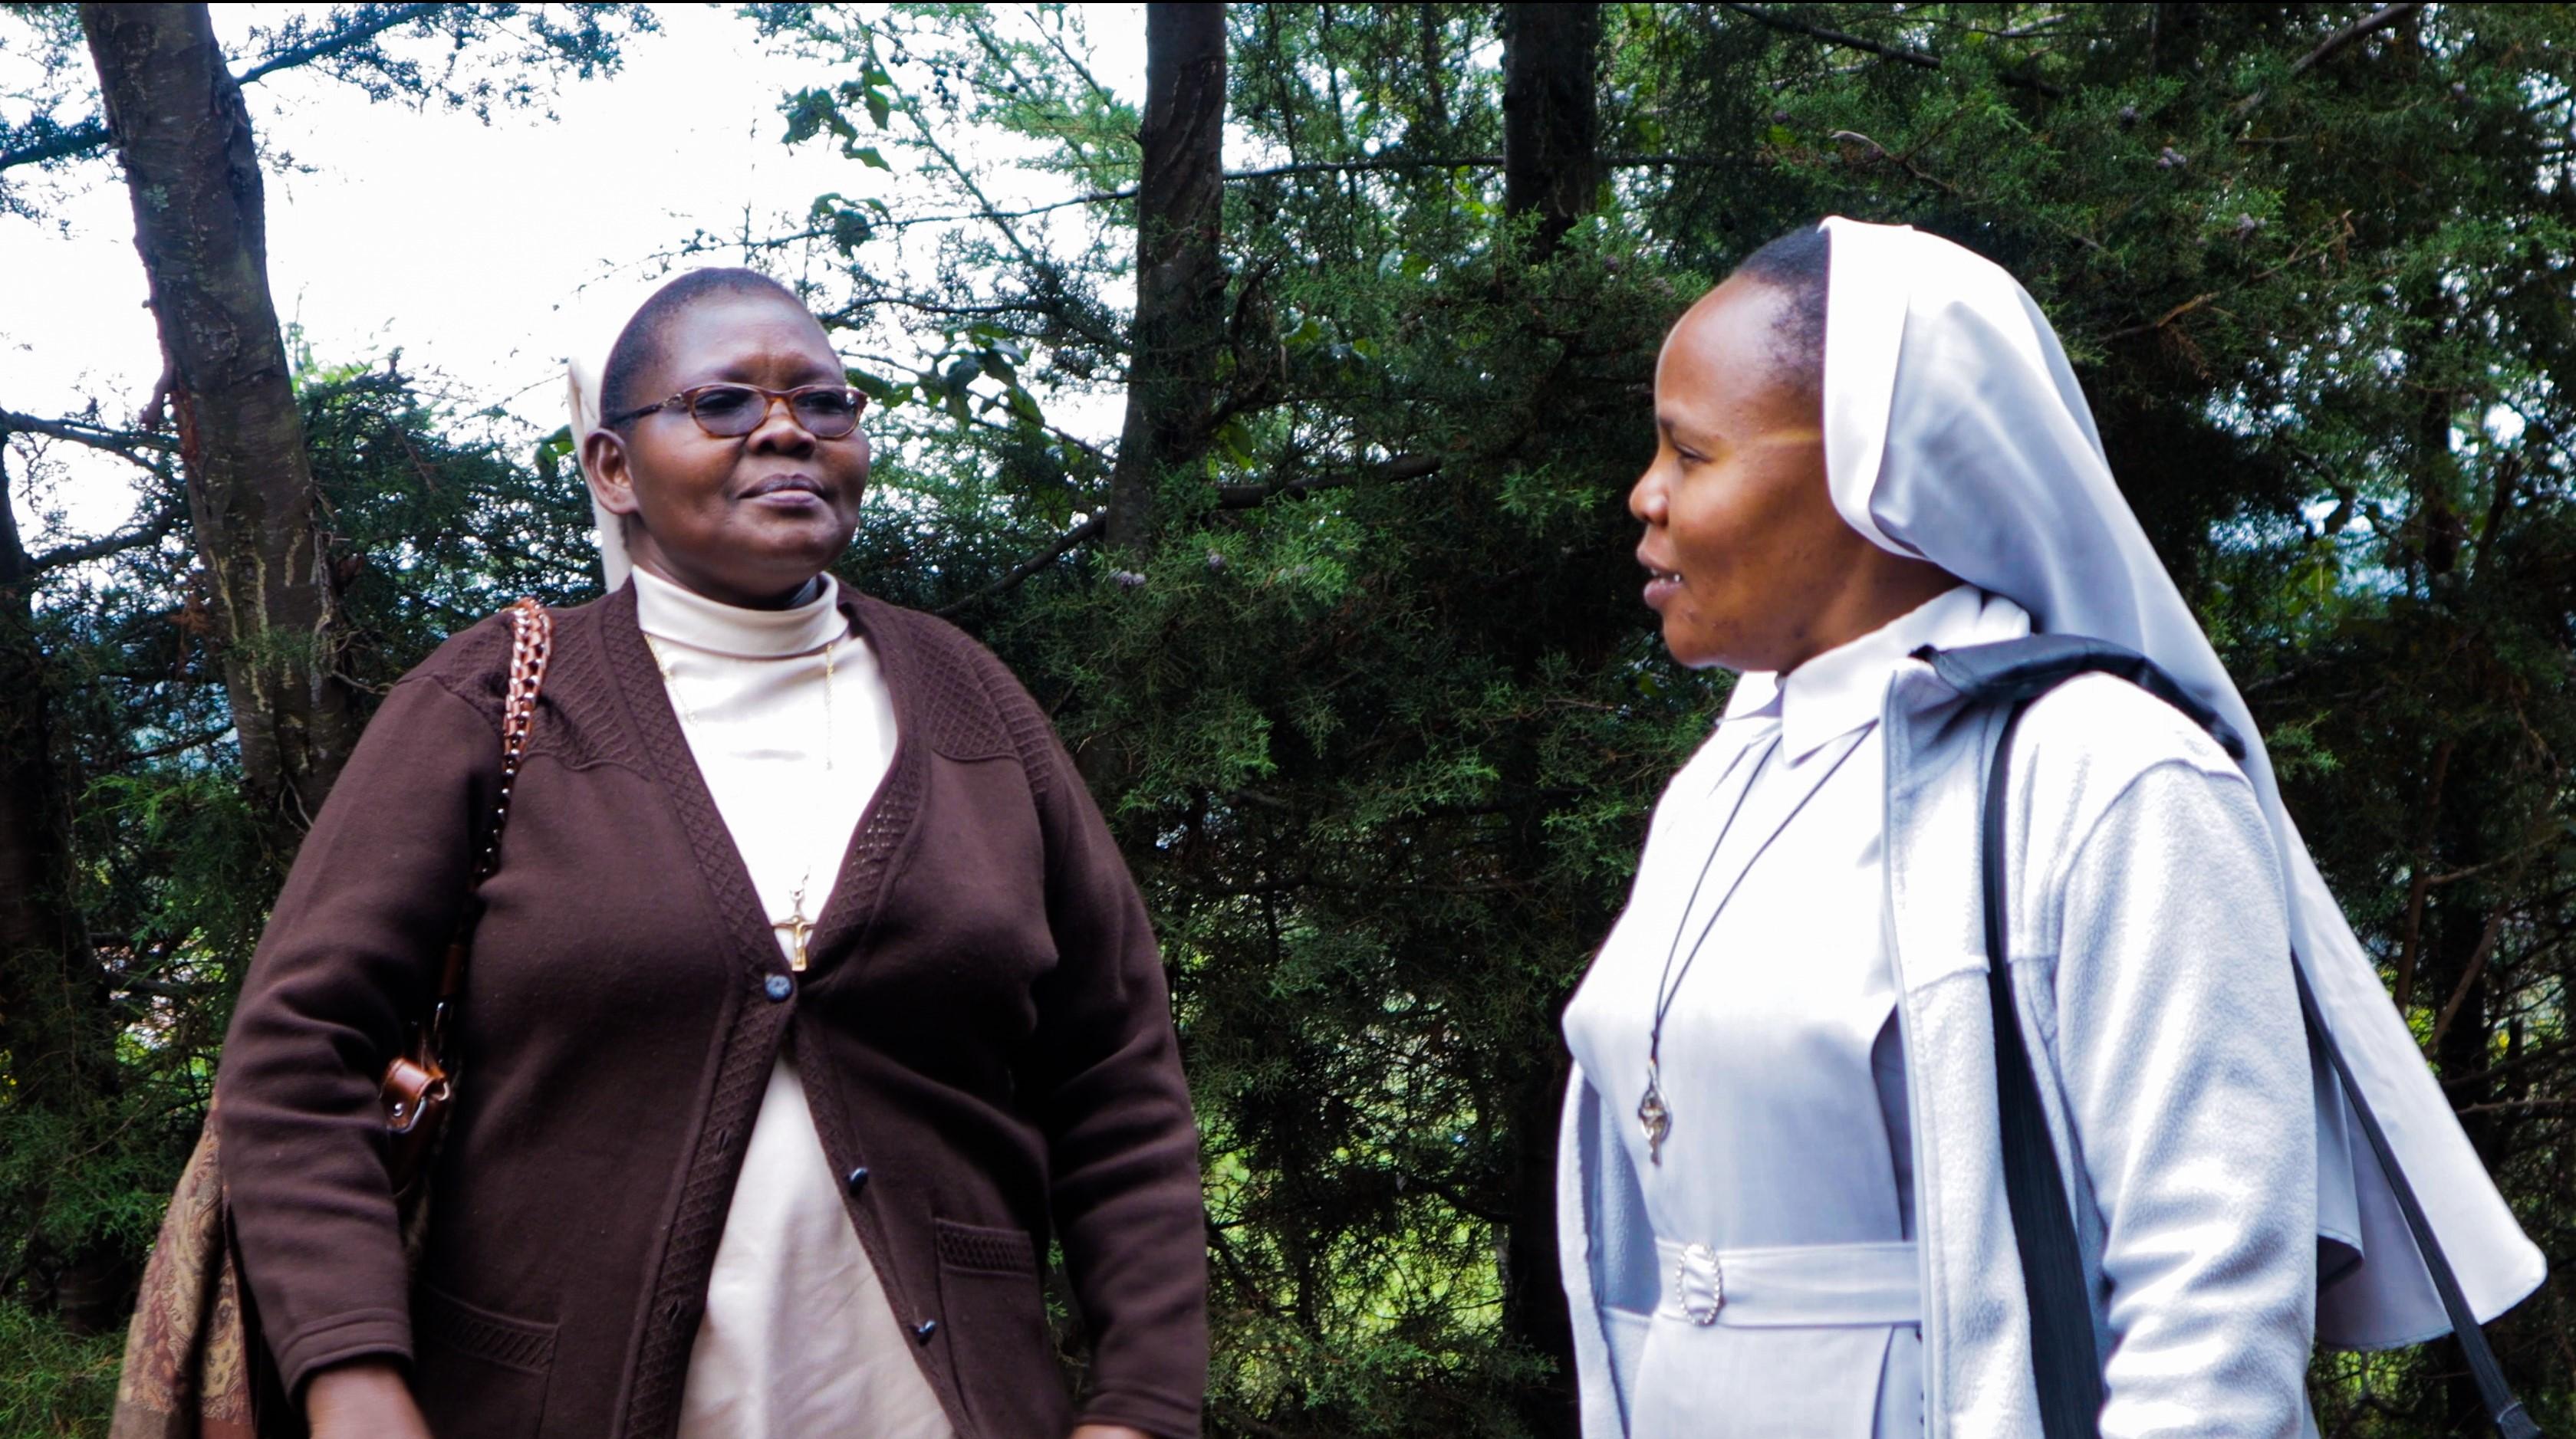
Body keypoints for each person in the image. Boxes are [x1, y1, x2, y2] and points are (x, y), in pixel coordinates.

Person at [1556, 218, 2545, 1437]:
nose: (1643, 495)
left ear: (1875, 472)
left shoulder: (2113, 777)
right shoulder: (1723, 776)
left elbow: (2210, 1315)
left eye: (1691, 453)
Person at [216, 268, 1207, 1439]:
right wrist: (354, 1378)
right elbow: (296, 1053)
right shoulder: (488, 702)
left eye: (824, 403)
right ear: (613, 469)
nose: (785, 429)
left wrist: (1141, 1404)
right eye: (723, 402)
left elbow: (1118, 1084)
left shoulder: (975, 709)